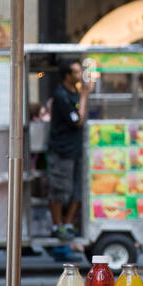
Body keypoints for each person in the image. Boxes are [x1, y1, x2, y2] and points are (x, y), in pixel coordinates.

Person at [48, 61, 88, 240]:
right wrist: (85, 96)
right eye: (77, 72)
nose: (80, 75)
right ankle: (57, 225)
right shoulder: (61, 95)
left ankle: (68, 223)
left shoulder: (74, 93)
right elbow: (77, 121)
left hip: (76, 149)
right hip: (62, 150)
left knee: (77, 188)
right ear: (67, 76)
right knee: (59, 188)